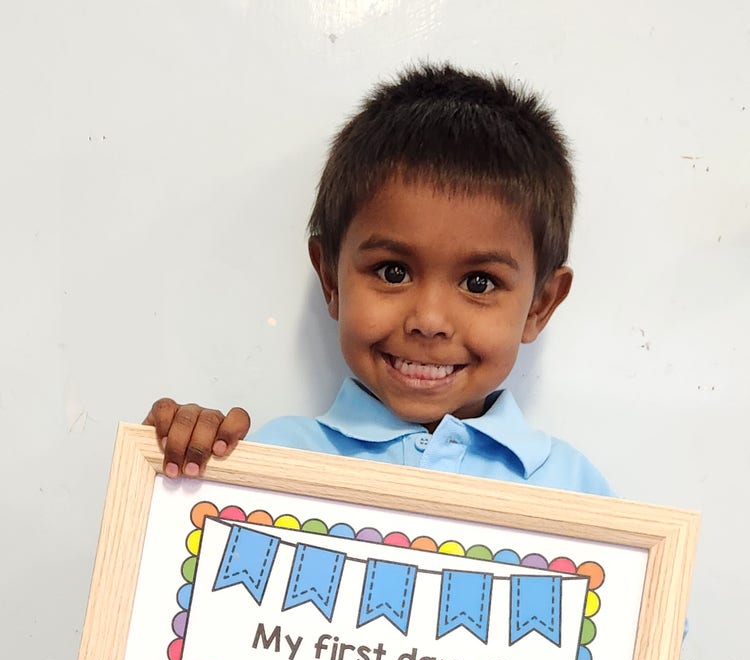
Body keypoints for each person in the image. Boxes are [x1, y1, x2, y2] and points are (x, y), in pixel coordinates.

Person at [144, 63, 612, 496]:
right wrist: (177, 472)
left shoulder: (574, 491)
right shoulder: (270, 463)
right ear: (330, 278)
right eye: (394, 272)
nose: (429, 320)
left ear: (540, 305)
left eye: (478, 283)